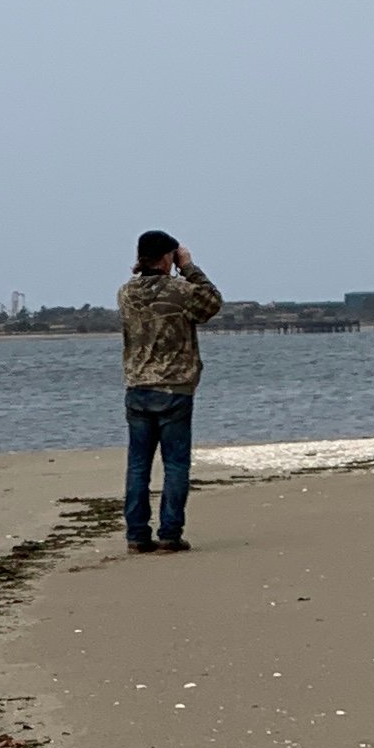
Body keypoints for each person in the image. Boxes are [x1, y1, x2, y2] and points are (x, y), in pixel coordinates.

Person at [116, 229, 223, 549]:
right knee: (175, 463)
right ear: (167, 258)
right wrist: (188, 266)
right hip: (174, 387)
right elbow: (212, 303)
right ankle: (170, 533)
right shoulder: (181, 290)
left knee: (138, 464)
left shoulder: (125, 293)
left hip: (137, 386)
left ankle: (136, 534)